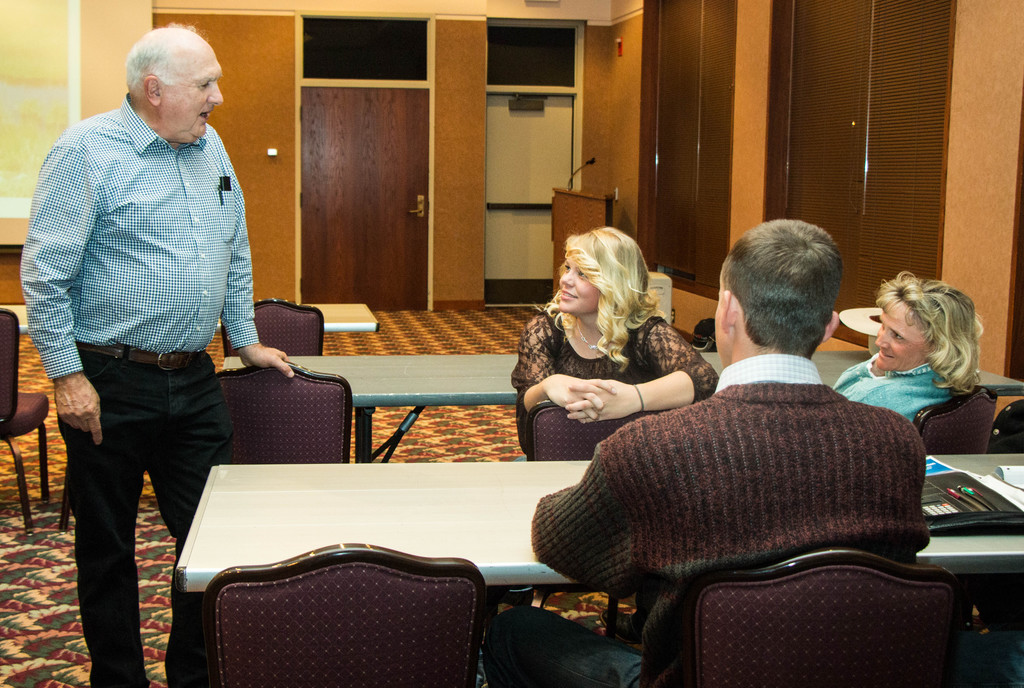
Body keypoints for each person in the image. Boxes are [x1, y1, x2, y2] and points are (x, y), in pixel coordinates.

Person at [483, 219, 930, 688]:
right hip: (857, 674)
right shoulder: (898, 443)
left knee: (514, 630)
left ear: (727, 310)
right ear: (829, 326)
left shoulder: (651, 448)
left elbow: (557, 541)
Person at [20, 25, 292, 688]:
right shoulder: (85, 151)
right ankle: (120, 679)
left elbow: (237, 241)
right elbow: (44, 273)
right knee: (107, 549)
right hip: (107, 381)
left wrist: (242, 333)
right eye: (205, 85)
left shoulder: (213, 148)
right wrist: (67, 376)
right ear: (155, 90)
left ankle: (193, 676)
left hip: (194, 382)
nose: (218, 98)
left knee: (214, 543)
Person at [510, 226, 718, 453]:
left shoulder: (644, 333)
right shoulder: (544, 331)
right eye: (568, 268)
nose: (565, 280)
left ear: (614, 284)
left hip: (633, 468)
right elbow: (526, 411)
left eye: (583, 274)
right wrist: (546, 387)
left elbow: (704, 381)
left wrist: (634, 398)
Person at [833, 271, 982, 420]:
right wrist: (877, 367)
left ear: (938, 347)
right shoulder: (961, 393)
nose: (879, 342)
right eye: (883, 326)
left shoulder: (872, 399)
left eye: (898, 336)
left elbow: (832, 409)